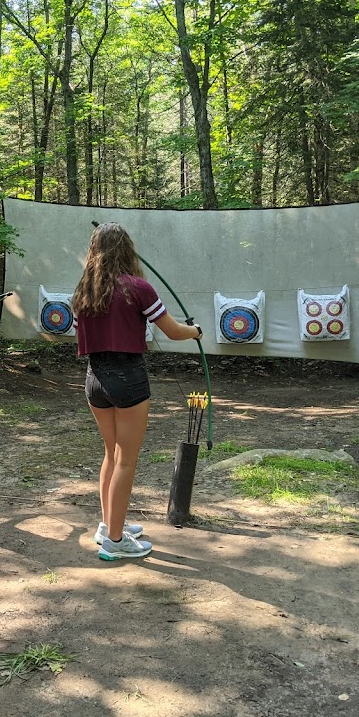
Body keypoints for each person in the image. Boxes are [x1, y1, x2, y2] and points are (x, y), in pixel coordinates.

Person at [71, 223, 203, 560]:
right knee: (125, 460)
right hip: (127, 378)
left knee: (111, 454)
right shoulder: (138, 288)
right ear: (126, 250)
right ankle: (115, 542)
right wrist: (195, 331)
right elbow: (173, 332)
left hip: (94, 379)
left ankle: (108, 526)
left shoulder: (84, 291)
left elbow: (81, 335)